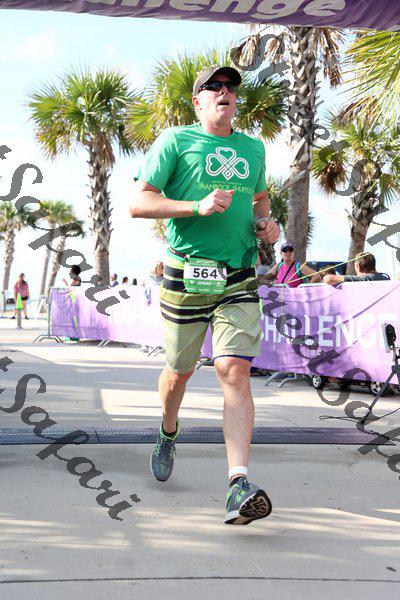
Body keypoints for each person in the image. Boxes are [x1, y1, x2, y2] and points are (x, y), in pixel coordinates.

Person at [130, 64, 280, 525]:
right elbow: (139, 201)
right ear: (197, 101)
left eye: (230, 87)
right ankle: (167, 431)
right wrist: (195, 206)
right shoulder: (176, 141)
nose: (224, 91)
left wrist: (265, 224)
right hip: (186, 273)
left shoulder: (253, 148)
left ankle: (238, 484)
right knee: (179, 373)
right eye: (214, 87)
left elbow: (260, 198)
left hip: (238, 273)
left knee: (234, 369)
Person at [324, 252, 390, 285]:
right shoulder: (385, 277)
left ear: (359, 267)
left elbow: (328, 279)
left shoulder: (363, 279)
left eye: (355, 266)